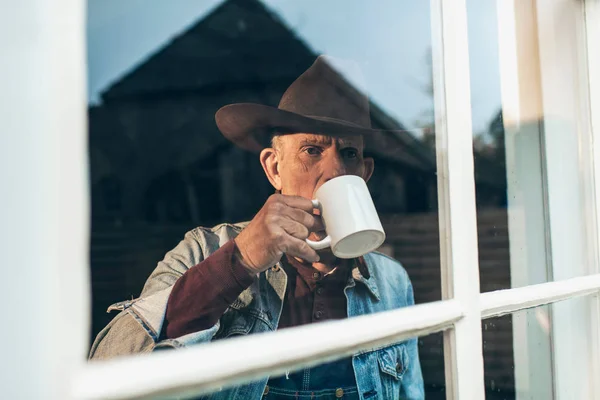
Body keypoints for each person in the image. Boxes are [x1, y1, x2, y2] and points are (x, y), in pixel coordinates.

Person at [89, 56, 424, 400]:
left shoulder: (392, 281)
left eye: (349, 154)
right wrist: (241, 260)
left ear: (364, 173)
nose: (336, 172)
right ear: (274, 168)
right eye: (312, 150)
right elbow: (108, 375)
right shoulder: (202, 251)